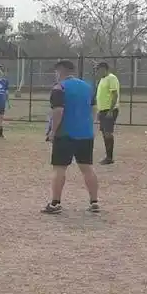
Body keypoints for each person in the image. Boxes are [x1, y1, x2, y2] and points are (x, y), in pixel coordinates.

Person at [42, 59, 100, 214]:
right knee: (87, 168)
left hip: (65, 134)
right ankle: (94, 202)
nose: (55, 75)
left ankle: (55, 203)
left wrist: (53, 131)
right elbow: (94, 108)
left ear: (60, 71)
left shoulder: (59, 88)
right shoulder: (87, 87)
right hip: (86, 134)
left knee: (59, 168)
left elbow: (58, 111)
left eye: (56, 72)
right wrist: (89, 124)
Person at [95, 62, 120, 165]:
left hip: (109, 110)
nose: (98, 72)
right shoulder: (102, 79)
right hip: (102, 110)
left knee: (108, 133)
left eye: (99, 69)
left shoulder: (111, 78)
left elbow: (114, 94)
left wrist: (110, 110)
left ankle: (109, 157)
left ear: (104, 69)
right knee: (104, 133)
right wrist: (98, 110)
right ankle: (108, 156)